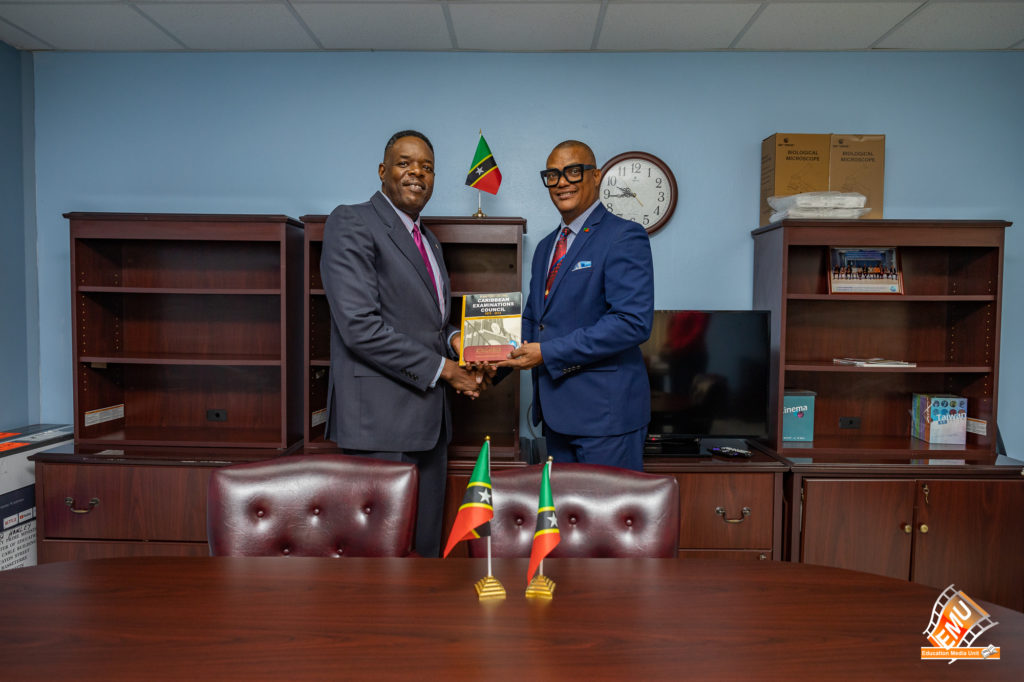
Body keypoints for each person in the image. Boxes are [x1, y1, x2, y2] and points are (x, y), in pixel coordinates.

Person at [320, 130, 485, 557]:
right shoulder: (352, 222)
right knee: (378, 560)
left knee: (424, 553)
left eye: (427, 167)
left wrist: (458, 340)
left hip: (429, 425)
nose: (417, 173)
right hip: (380, 425)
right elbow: (360, 327)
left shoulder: (428, 240)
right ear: (382, 170)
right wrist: (446, 370)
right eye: (405, 163)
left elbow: (428, 324)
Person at [496, 140, 654, 471]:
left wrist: (547, 353)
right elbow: (534, 320)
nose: (562, 182)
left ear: (596, 176)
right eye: (552, 175)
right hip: (556, 416)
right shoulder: (545, 247)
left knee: (609, 506)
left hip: (606, 419)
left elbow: (631, 322)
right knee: (562, 506)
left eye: (573, 171)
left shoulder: (624, 236)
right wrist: (490, 358)